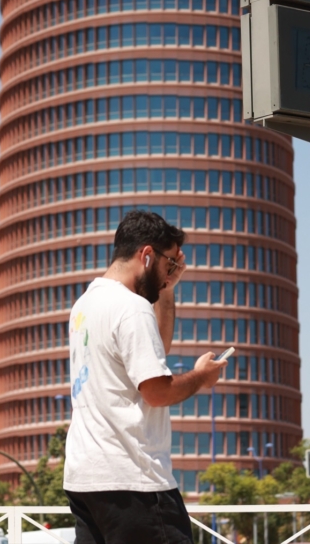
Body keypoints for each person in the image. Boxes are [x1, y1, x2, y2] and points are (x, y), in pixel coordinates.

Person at [63, 209, 227, 544]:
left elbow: (154, 353)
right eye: (169, 264)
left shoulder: (85, 304)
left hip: (86, 479)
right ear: (147, 255)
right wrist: (201, 377)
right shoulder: (131, 307)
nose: (170, 273)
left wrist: (166, 289)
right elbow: (157, 391)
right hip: (133, 480)